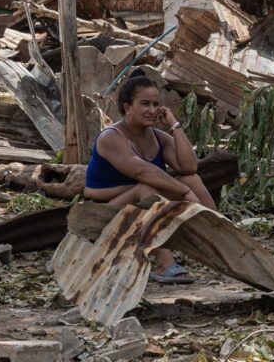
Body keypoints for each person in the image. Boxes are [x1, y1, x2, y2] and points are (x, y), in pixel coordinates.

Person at [84, 70, 217, 282]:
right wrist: (185, 192)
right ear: (128, 107)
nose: (153, 110)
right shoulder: (111, 137)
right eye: (145, 104)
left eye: (156, 104)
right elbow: (142, 171)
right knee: (147, 189)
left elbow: (189, 166)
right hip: (104, 214)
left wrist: (174, 126)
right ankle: (164, 263)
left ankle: (219, 240)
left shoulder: (157, 137)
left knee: (191, 179)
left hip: (140, 207)